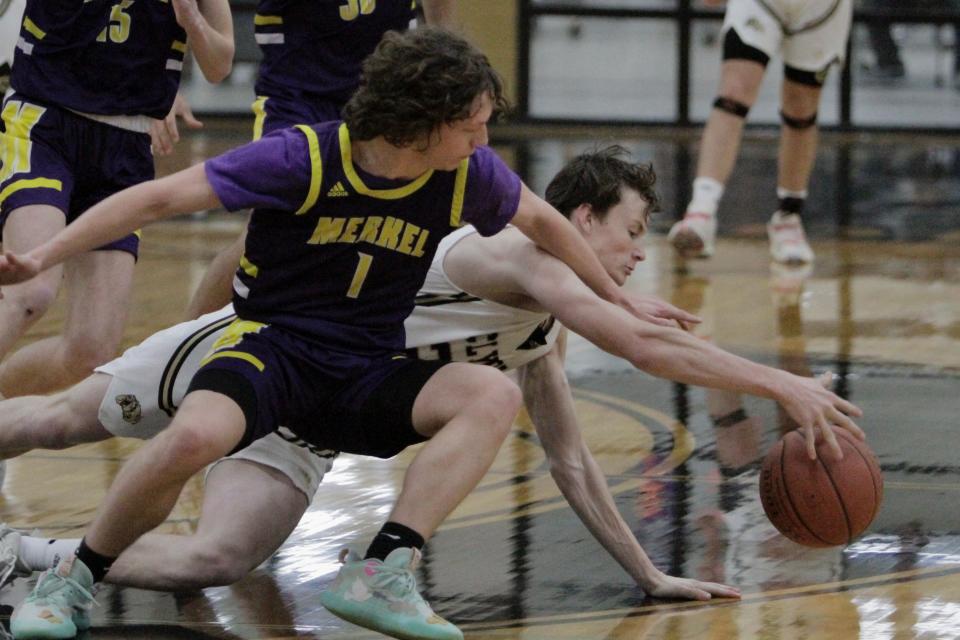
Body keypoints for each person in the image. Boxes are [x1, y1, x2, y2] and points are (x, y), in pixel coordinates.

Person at [0, 148, 862, 616]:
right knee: (51, 423)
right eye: (633, 230)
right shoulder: (513, 257)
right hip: (259, 353)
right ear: (580, 218)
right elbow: (643, 346)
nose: (641, 252)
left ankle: (25, 558)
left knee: (216, 561)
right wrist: (784, 386)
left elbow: (571, 462)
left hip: (317, 417)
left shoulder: (535, 333)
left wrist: (650, 574)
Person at [0, 29, 653, 640]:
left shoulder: (467, 176)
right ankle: (73, 577)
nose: (485, 142)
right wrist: (45, 253)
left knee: (488, 395)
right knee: (105, 426)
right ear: (424, 122)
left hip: (359, 372)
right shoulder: (302, 159)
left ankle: (384, 569)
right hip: (269, 348)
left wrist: (613, 292)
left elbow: (547, 223)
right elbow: (155, 201)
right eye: (473, 126)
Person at [0, 0, 234, 399]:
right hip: (43, 121)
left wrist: (191, 20)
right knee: (30, 291)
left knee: (90, 350)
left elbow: (219, 64)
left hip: (125, 146)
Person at [184, 0, 457, 319]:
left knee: (416, 227)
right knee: (262, 233)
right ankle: (180, 341)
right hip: (298, 98)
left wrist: (447, 58)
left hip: (385, 95)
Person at [667, 0, 853, 265]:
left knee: (801, 106)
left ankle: (788, 218)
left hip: (820, 8)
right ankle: (701, 212)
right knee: (733, 92)